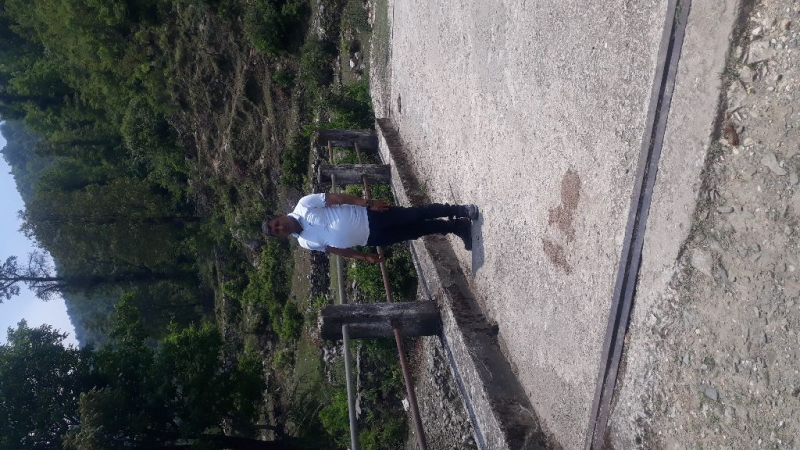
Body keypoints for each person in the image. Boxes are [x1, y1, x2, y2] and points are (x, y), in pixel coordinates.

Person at [262, 192, 478, 263]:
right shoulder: (304, 242)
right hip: (371, 239)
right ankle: (456, 227)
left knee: (415, 214)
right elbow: (333, 249)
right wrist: (363, 256)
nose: (280, 228)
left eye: (276, 224)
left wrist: (367, 203)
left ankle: (459, 210)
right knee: (416, 231)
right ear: (280, 236)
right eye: (276, 231)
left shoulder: (304, 204)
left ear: (279, 216)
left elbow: (337, 198)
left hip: (369, 216)